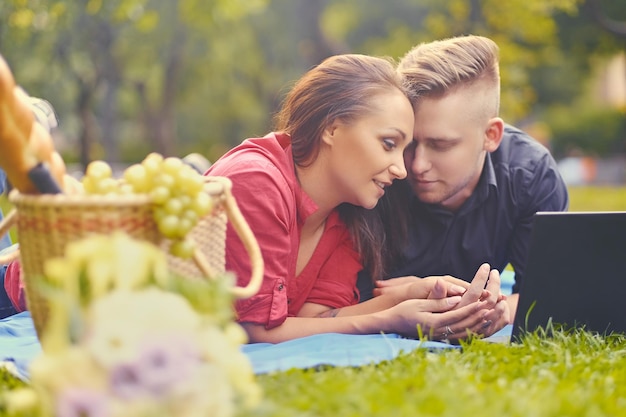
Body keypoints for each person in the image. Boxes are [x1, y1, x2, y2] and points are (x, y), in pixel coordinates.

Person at [205, 53, 504, 344]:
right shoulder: (257, 183)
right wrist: (390, 318)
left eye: (404, 150)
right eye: (388, 143)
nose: (403, 170)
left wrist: (413, 294)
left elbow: (318, 319)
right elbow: (256, 330)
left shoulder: (348, 213)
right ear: (332, 128)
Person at [359, 35, 568, 330]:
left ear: (491, 136)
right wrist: (403, 301)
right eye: (409, 142)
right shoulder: (374, 170)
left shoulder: (530, 175)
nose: (416, 165)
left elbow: (547, 292)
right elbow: (331, 303)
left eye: (441, 145)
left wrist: (498, 310)